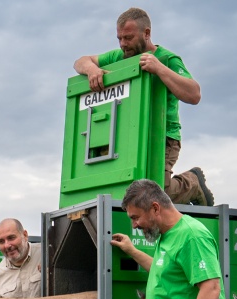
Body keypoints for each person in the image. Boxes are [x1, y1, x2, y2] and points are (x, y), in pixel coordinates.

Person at [74, 7, 214, 207]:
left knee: (155, 195)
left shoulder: (167, 59)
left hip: (164, 137)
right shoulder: (120, 56)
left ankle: (192, 183)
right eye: (119, 38)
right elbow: (80, 61)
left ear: (146, 33)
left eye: (128, 38)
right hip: (129, 138)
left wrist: (159, 69)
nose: (123, 44)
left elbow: (194, 94)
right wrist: (91, 70)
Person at [0, 218, 41, 299]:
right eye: (1, 241)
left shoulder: (47, 255)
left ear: (25, 235)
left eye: (11, 238)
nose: (7, 245)